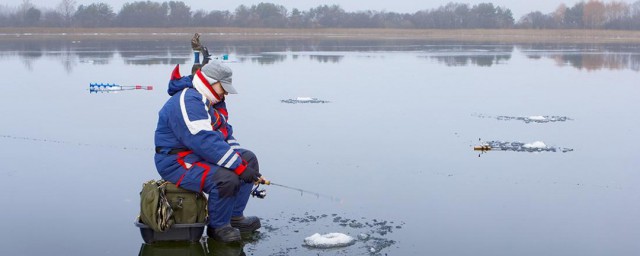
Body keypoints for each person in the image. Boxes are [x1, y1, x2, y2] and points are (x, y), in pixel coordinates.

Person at [154, 62, 263, 243]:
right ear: (210, 82)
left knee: (248, 159)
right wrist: (238, 167)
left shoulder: (209, 102)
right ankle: (218, 226)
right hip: (177, 162)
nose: (225, 93)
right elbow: (204, 141)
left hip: (198, 155)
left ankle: (234, 217)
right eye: (223, 88)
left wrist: (243, 164)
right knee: (226, 178)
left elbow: (225, 135)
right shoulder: (188, 100)